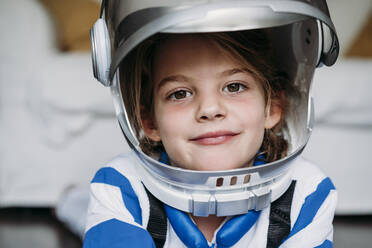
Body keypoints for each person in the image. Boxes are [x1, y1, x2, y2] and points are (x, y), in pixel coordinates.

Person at [84, 0, 339, 247]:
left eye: (234, 86)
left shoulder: (307, 191)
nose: (209, 109)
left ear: (271, 108)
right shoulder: (121, 185)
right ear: (149, 121)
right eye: (180, 93)